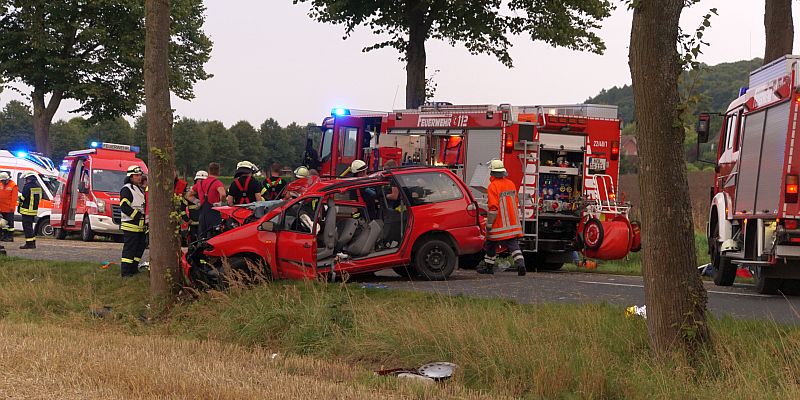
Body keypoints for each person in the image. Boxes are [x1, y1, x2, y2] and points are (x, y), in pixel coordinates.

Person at [477, 159, 526, 276]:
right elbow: (514, 202)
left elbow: (493, 207)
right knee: (513, 244)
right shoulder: (511, 183)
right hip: (512, 222)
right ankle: (521, 265)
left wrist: (489, 224)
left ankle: (489, 267)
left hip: (499, 223)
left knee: (491, 242)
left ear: (492, 173)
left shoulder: (492, 186)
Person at [186, 162, 227, 238]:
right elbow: (223, 194)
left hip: (202, 214)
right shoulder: (217, 183)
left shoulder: (200, 183)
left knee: (202, 236)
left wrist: (197, 202)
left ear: (209, 171)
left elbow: (188, 195)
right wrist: (221, 203)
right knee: (214, 235)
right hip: (214, 213)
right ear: (218, 172)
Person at [17, 171, 42, 249]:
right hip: (33, 211)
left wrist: (19, 198)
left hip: (26, 210)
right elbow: (39, 198)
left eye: (26, 179)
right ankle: (32, 242)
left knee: (27, 228)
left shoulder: (27, 186)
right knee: (30, 227)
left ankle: (29, 244)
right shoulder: (38, 187)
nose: (25, 180)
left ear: (29, 179)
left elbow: (23, 198)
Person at [184, 170, 207, 243]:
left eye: (202, 181)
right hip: (193, 224)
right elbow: (182, 208)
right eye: (199, 181)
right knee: (193, 241)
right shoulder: (189, 194)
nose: (200, 183)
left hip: (205, 223)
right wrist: (187, 219)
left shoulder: (208, 193)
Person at [0, 172, 18, 242]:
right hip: (2, 208)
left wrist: (12, 208)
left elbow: (14, 198)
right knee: (3, 223)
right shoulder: (1, 184)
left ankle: (10, 236)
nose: (2, 182)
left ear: (7, 179)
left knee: (10, 224)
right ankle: (4, 236)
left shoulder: (13, 185)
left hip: (9, 208)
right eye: (1, 181)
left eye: (3, 181)